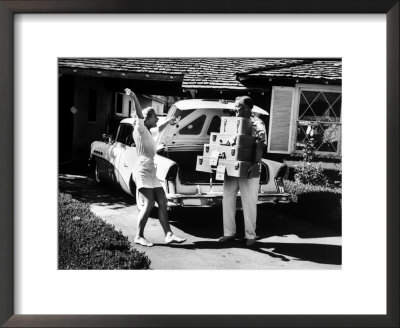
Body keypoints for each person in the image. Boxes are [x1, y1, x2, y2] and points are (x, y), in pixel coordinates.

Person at [125, 88, 186, 247]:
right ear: (147, 118)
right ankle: (139, 236)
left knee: (163, 200)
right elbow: (139, 114)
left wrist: (170, 121)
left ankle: (169, 235)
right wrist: (134, 97)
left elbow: (159, 128)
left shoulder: (149, 132)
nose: (158, 119)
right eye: (155, 117)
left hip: (151, 169)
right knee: (150, 203)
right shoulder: (139, 129)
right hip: (142, 169)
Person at [219, 96, 267, 247]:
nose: (235, 109)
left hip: (249, 167)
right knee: (227, 199)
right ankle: (228, 233)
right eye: (235, 106)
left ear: (248, 108)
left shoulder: (257, 123)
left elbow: (260, 144)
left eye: (238, 106)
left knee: (249, 201)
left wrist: (256, 164)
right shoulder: (232, 122)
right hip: (231, 166)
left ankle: (250, 235)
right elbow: (225, 141)